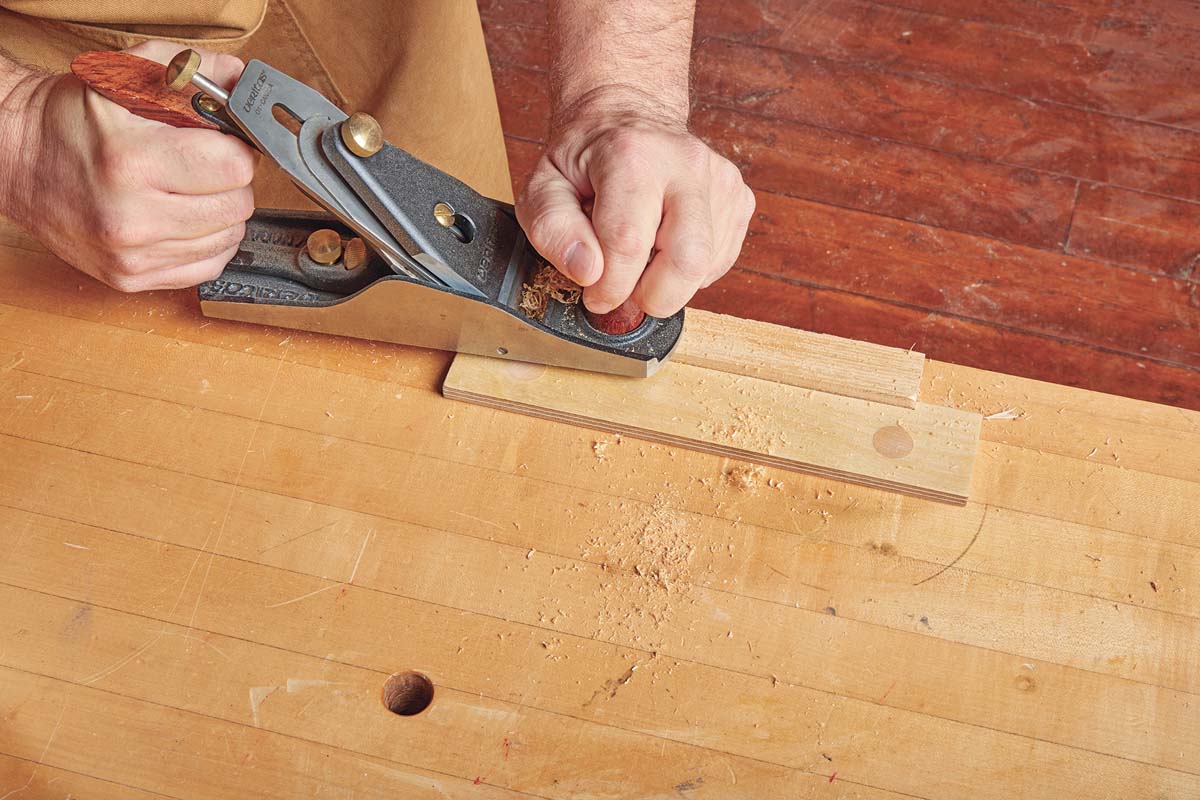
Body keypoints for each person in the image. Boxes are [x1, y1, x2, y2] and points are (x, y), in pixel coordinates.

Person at [0, 0, 753, 318]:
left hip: (379, 22)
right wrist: (22, 137)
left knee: (460, 250)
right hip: (58, 52)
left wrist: (623, 95)